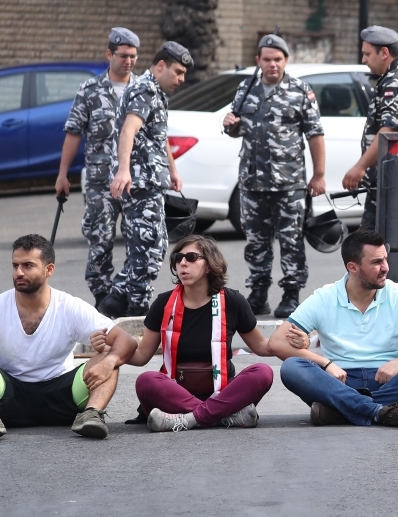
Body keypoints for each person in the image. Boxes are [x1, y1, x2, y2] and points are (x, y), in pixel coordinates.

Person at [269, 229, 398, 428]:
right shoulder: (325, 297)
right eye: (376, 262)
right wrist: (326, 363)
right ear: (352, 267)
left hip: (390, 380)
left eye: (385, 259)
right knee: (292, 368)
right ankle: (382, 411)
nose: (385, 268)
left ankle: (342, 410)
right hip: (338, 381)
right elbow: (276, 343)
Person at [97, 235, 274, 432]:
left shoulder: (233, 301)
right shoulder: (163, 304)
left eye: (191, 257)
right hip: (176, 394)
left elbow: (260, 345)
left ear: (209, 265)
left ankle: (188, 419)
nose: (182, 263)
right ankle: (221, 416)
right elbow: (141, 356)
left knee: (262, 372)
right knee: (146, 381)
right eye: (178, 258)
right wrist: (109, 348)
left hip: (222, 392)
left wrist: (292, 342)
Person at [222, 34, 326, 319]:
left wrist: (318, 175)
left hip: (289, 184)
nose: (272, 64)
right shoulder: (247, 88)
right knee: (256, 242)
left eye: (278, 59)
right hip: (253, 183)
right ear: (258, 61)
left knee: (291, 241)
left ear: (286, 61)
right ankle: (258, 294)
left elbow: (315, 134)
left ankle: (291, 293)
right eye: (267, 59)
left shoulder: (300, 90)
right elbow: (236, 127)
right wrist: (229, 124)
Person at [0, 234, 137, 439]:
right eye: (15, 265)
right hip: (9, 398)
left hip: (62, 396)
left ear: (49, 270)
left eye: (28, 265)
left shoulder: (69, 306)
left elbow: (126, 340)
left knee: (110, 354)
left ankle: (91, 415)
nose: (19, 272)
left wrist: (109, 361)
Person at [100, 42, 190, 318]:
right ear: (160, 65)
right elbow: (129, 130)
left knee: (157, 246)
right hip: (139, 183)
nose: (181, 79)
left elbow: (158, 137)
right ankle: (139, 312)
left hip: (152, 181)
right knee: (145, 250)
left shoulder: (157, 92)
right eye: (178, 72)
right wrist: (124, 170)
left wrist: (172, 171)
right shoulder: (145, 89)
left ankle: (114, 300)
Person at [56, 28, 138, 309]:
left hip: (134, 181)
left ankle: (125, 293)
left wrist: (172, 171)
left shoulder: (142, 89)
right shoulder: (90, 90)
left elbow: (160, 135)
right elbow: (73, 133)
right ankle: (103, 297)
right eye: (123, 55)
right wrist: (62, 174)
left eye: (133, 56)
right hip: (100, 182)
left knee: (138, 241)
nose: (128, 61)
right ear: (109, 55)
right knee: (100, 242)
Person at [343, 26, 398, 231]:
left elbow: (389, 130)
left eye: (367, 54)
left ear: (384, 53)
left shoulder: (396, 80)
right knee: (372, 245)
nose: (363, 60)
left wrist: (360, 167)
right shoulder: (397, 75)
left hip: (395, 180)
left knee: (374, 245)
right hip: (389, 178)